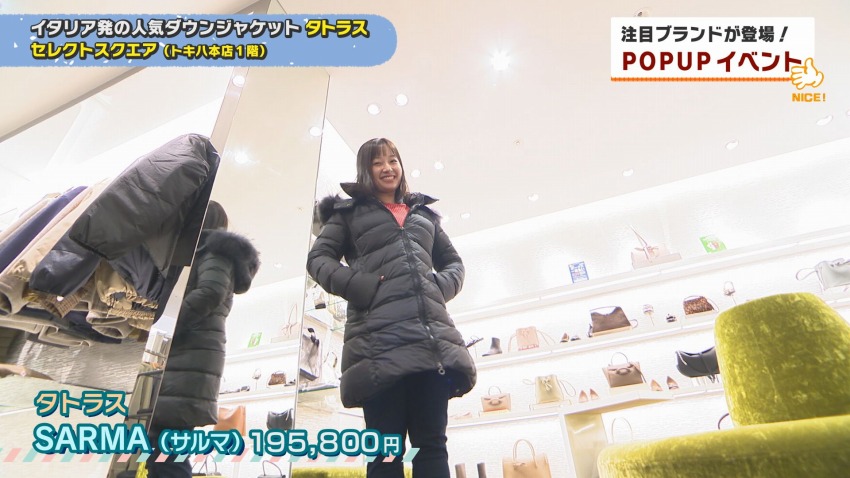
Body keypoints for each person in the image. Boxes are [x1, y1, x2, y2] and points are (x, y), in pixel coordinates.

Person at [308, 138, 476, 478]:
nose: (388, 168)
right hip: (378, 349)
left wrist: (436, 287)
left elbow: (454, 264)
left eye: (393, 160)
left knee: (432, 448)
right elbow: (318, 259)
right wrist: (361, 286)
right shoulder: (348, 214)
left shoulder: (424, 215)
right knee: (386, 454)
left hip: (429, 347)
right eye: (377, 162)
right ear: (365, 170)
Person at [146, 201, 260, 478]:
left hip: (187, 358)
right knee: (162, 453)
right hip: (191, 361)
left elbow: (210, 292)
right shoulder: (208, 253)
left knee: (166, 456)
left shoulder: (214, 250)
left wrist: (167, 327)